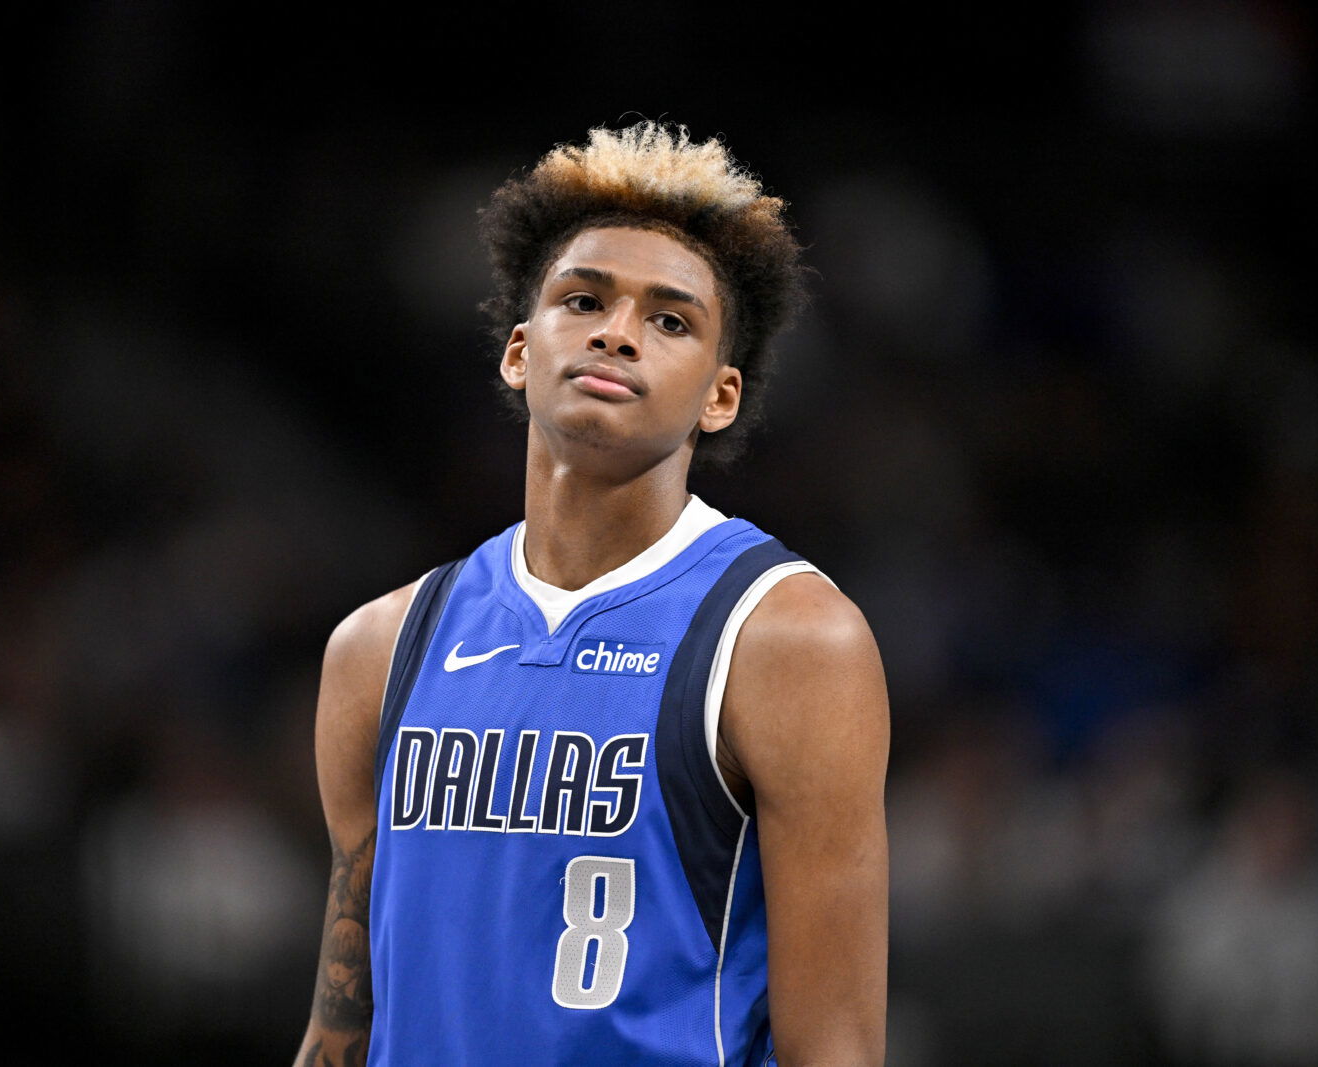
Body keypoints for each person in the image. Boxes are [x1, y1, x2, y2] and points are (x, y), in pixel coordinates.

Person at [292, 122, 889, 1067]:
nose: (617, 330)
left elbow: (838, 1048)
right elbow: (341, 1023)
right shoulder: (378, 646)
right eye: (584, 299)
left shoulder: (789, 637)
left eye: (670, 319)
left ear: (719, 396)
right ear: (521, 351)